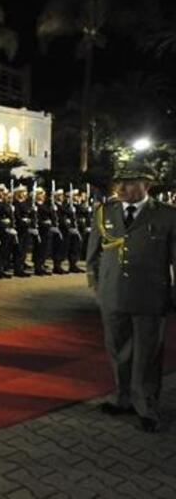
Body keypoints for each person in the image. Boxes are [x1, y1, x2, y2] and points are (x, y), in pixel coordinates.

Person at [86, 163, 176, 434]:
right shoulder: (105, 212)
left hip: (151, 296)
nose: (121, 188)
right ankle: (121, 397)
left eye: (129, 182)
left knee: (147, 355)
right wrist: (98, 287)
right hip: (113, 295)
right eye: (118, 183)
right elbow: (93, 255)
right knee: (117, 348)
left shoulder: (167, 216)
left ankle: (146, 406)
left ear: (147, 185)